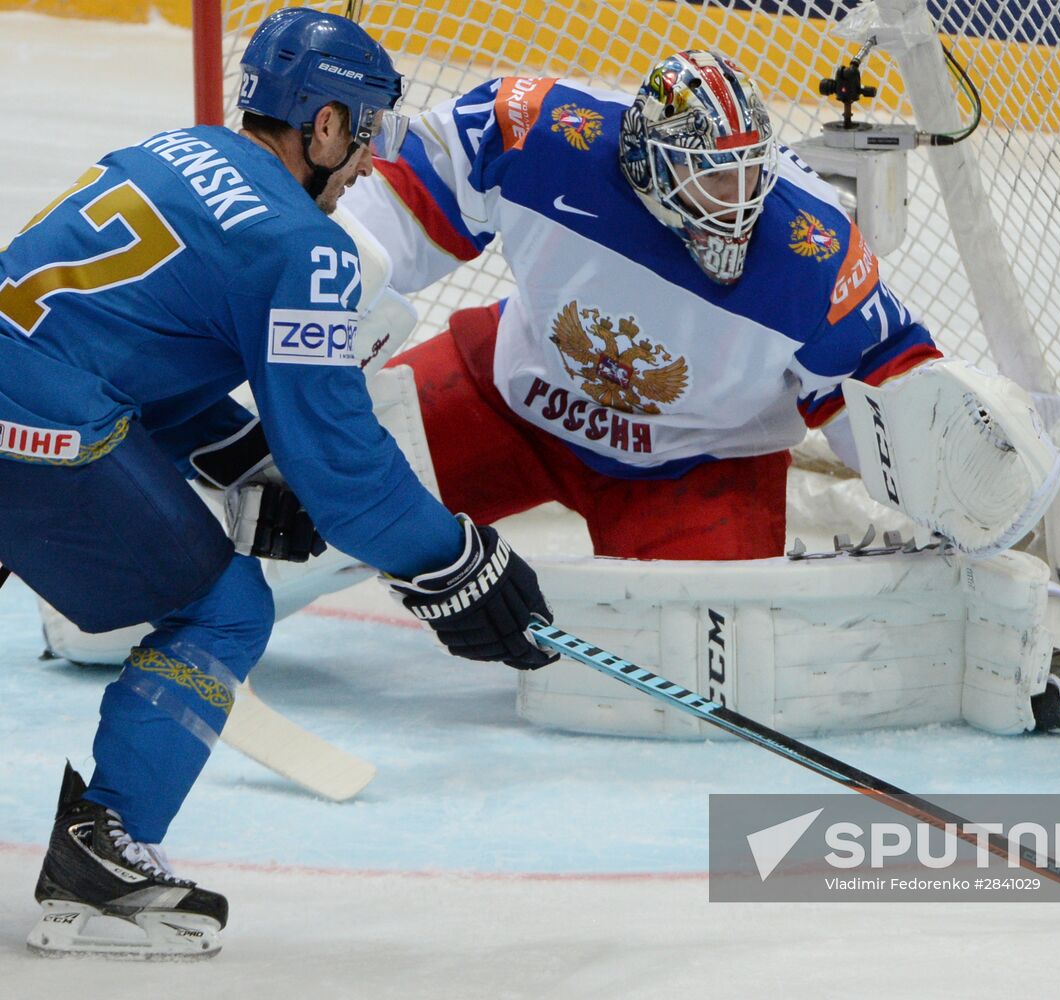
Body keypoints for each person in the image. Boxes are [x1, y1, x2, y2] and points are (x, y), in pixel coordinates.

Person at [0, 7, 553, 960]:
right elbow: (341, 468)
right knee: (224, 610)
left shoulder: (171, 150)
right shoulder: (306, 248)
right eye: (364, 131)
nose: (369, 162)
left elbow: (124, 342)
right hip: (42, 425)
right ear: (324, 124)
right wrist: (453, 561)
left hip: (31, 382)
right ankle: (100, 864)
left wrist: (234, 455)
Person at [341, 49, 943, 561]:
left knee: (684, 686)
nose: (739, 207)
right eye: (714, 180)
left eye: (751, 175)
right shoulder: (543, 131)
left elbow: (879, 380)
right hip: (514, 396)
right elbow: (403, 200)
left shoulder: (811, 247)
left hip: (702, 463)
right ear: (650, 167)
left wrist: (949, 476)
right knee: (324, 487)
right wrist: (324, 299)